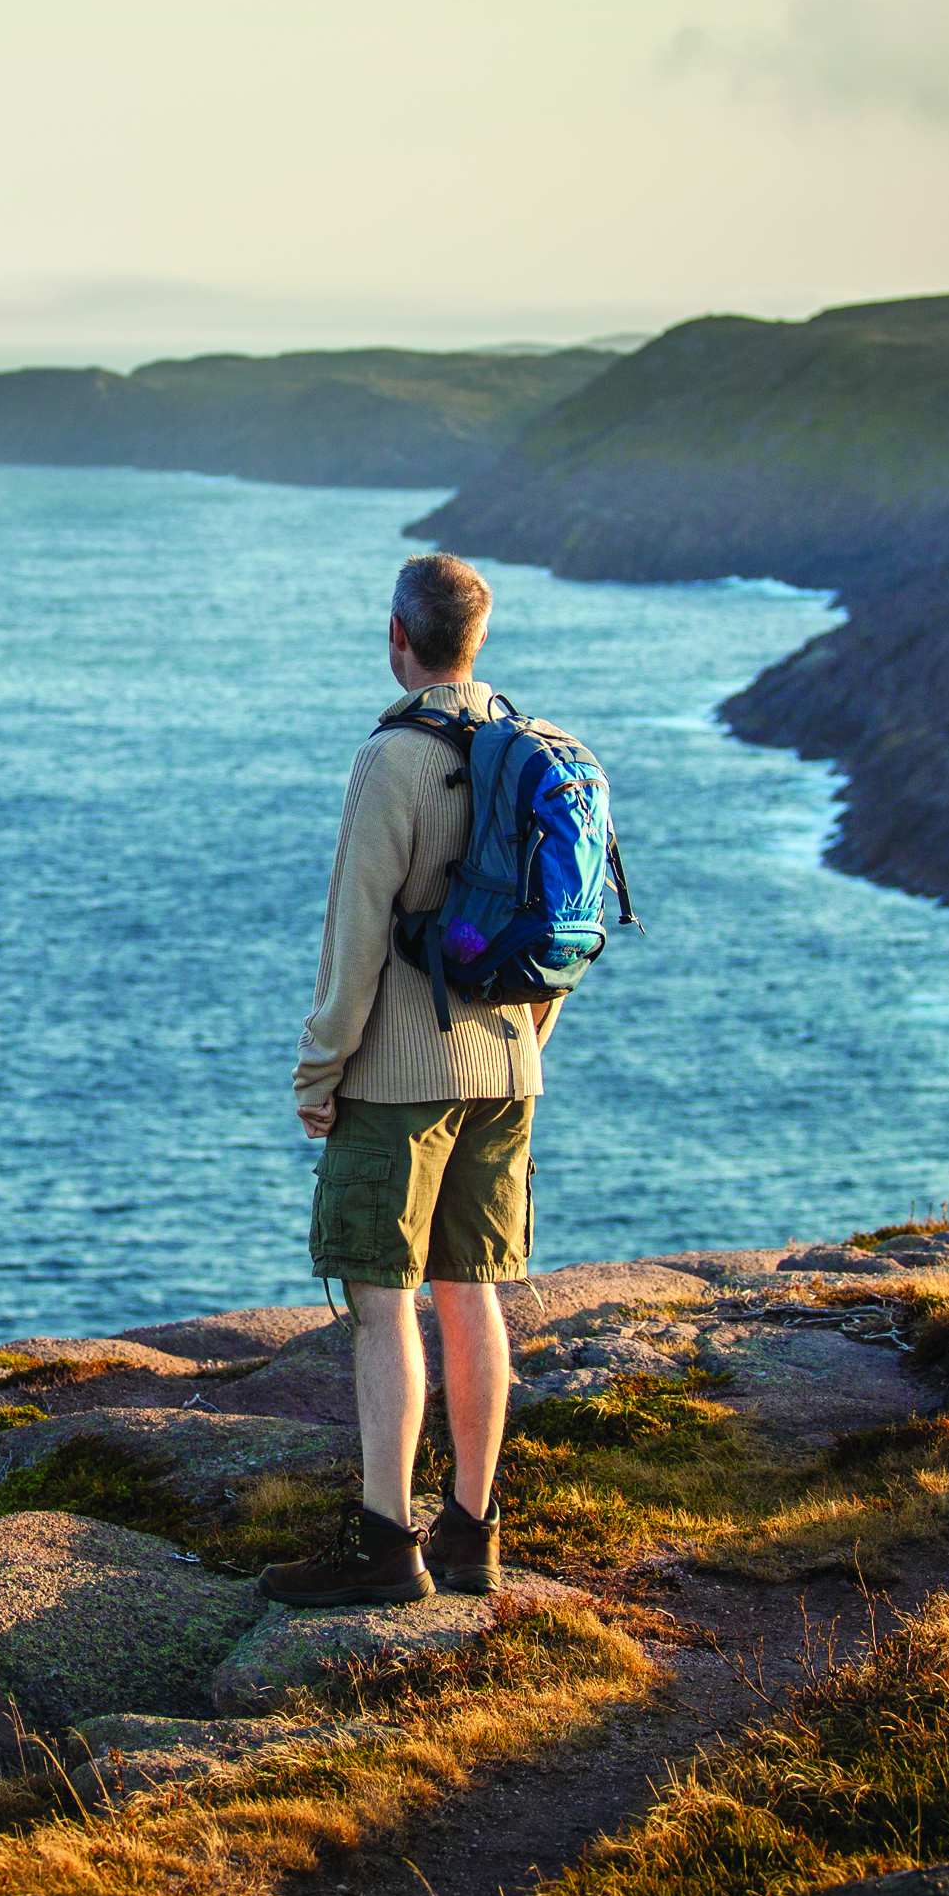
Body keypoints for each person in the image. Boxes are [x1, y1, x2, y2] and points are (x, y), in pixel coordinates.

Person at [265, 552, 555, 1607]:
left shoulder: (391, 759)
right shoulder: (530, 745)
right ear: (475, 639)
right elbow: (562, 930)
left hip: (400, 1077)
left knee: (383, 1302)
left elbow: (353, 939)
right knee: (471, 1293)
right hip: (507, 1066)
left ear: (398, 635)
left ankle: (387, 1543)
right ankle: (473, 1532)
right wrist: (527, 1038)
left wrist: (319, 1068)